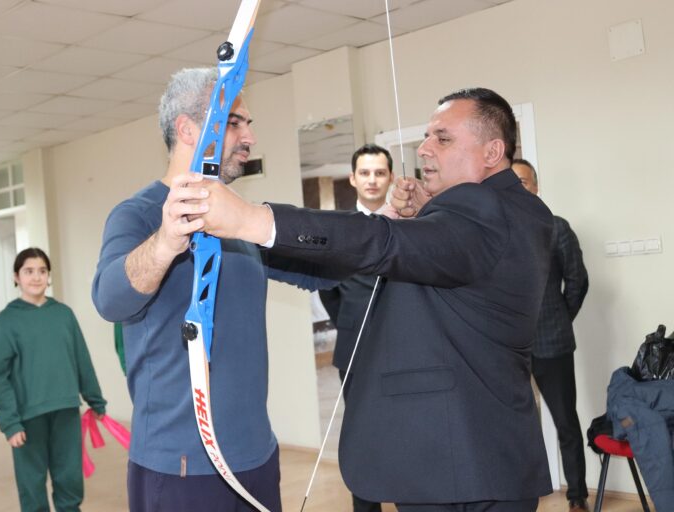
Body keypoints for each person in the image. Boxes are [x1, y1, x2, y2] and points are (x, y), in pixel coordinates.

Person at [195, 88, 555, 511]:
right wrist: (428, 215)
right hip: (484, 457)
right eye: (426, 136)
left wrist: (253, 219)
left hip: (455, 465)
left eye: (443, 138)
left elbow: (379, 242)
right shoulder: (521, 210)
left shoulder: (482, 210)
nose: (424, 149)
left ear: (493, 151)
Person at [92, 67, 333, 512]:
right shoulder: (138, 215)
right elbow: (110, 299)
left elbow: (325, 271)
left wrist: (389, 230)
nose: (250, 137)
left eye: (248, 123)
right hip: (179, 466)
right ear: (187, 129)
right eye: (235, 122)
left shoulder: (238, 219)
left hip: (255, 455)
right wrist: (166, 241)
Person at [0, 248, 107, 512]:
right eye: (28, 271)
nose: (36, 277)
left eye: (42, 271)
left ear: (49, 276)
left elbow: (82, 360)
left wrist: (95, 400)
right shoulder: (5, 322)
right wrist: (9, 422)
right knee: (32, 485)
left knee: (69, 481)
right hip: (28, 417)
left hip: (65, 409)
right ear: (16, 277)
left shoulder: (63, 314)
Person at [318, 143, 394, 512]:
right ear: (353, 178)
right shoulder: (339, 230)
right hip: (355, 352)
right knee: (364, 439)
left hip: (402, 352)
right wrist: (351, 321)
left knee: (404, 435)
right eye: (365, 173)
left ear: (390, 177)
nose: (372, 180)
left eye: (379, 172)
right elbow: (328, 290)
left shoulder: (408, 225)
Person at [512, 159, 590, 512]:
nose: (519, 188)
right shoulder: (494, 232)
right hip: (506, 348)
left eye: (524, 182)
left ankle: (576, 497)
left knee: (565, 422)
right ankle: (518, 494)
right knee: (512, 425)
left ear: (536, 186)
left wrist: (560, 316)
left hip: (552, 342)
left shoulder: (557, 228)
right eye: (511, 183)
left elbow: (577, 281)